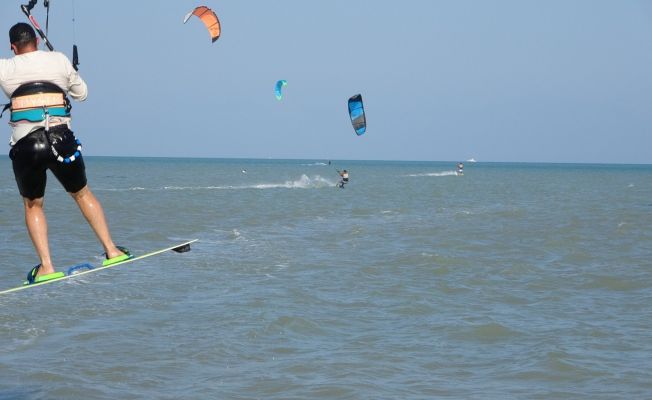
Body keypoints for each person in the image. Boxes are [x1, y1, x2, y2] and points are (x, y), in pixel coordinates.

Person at [0, 23, 129, 284]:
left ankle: (47, 266)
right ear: (36, 40)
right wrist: (64, 70)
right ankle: (112, 250)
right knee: (81, 193)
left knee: (33, 204)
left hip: (28, 145)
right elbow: (82, 94)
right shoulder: (58, 58)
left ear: (13, 47)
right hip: (62, 141)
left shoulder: (5, 67)